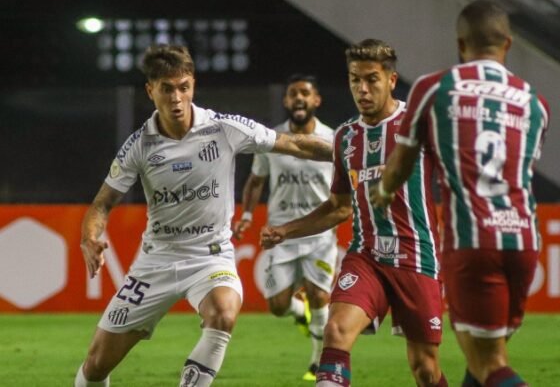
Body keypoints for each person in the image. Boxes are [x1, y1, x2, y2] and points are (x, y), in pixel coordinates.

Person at [74, 44, 332, 387]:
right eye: (167, 89)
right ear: (150, 90)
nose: (177, 98)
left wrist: (349, 151)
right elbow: (102, 204)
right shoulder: (139, 146)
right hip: (157, 261)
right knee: (96, 365)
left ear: (193, 85)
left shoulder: (224, 128)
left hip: (211, 257)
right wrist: (89, 237)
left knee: (223, 312)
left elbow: (296, 144)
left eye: (184, 87)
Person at [371, 0, 550, 387]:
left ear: (461, 43)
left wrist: (383, 192)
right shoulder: (535, 103)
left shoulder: (435, 88)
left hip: (473, 239)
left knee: (488, 364)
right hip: (524, 241)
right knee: (480, 360)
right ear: (508, 43)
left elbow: (401, 163)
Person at [261, 39, 447, 387]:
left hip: (417, 257)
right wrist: (286, 230)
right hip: (367, 258)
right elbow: (339, 207)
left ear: (391, 80)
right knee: (336, 330)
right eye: (354, 80)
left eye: (371, 79)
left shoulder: (419, 125)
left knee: (424, 367)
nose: (362, 89)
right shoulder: (346, 137)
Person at [232, 74, 336, 381]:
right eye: (293, 93)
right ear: (286, 101)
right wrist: (247, 215)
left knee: (319, 296)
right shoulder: (271, 140)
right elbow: (256, 181)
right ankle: (298, 312)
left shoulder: (333, 139)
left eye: (305, 93)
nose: (299, 98)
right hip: (281, 233)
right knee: (277, 306)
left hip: (319, 233)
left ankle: (318, 362)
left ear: (316, 100)